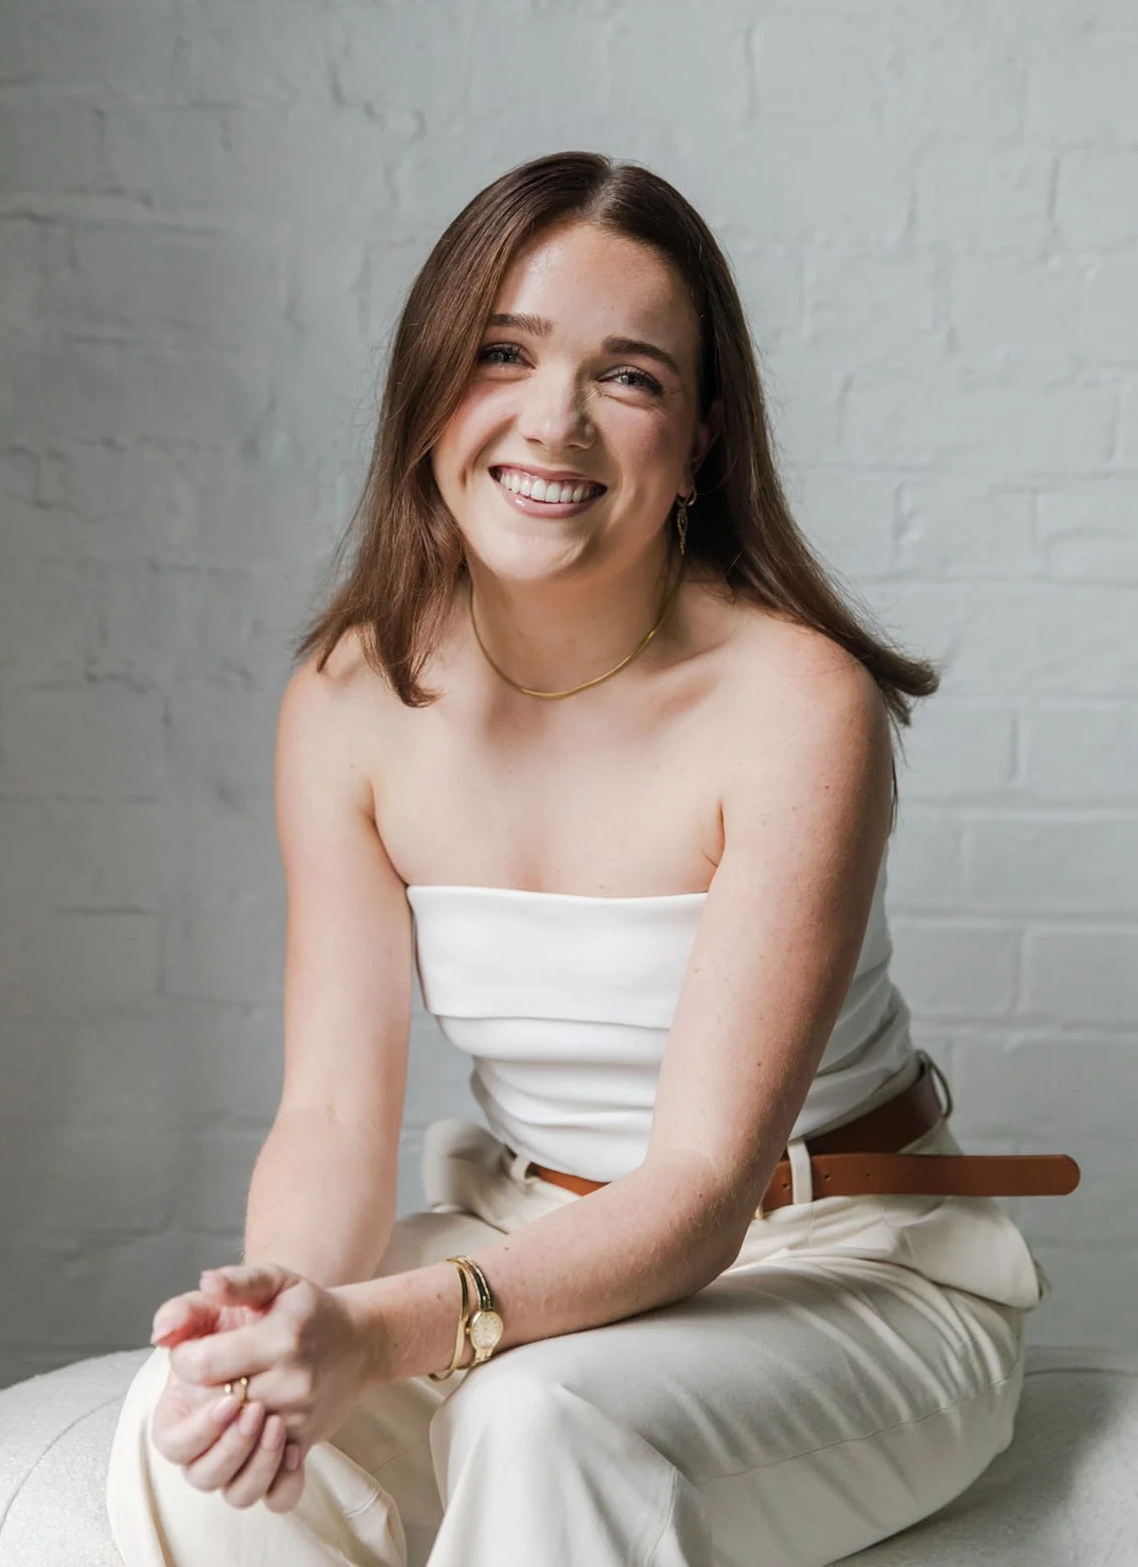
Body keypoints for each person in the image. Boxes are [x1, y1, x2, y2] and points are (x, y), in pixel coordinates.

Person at [105, 151, 1076, 1567]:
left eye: (629, 377)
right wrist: (287, 1324)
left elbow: (695, 1191)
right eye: (504, 353)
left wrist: (377, 1330)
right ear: (431, 388)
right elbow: (327, 1113)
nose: (552, 422)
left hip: (832, 1267)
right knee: (181, 1424)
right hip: (518, 1233)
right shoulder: (349, 698)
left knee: (542, 1420)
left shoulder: (799, 705)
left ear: (698, 442)